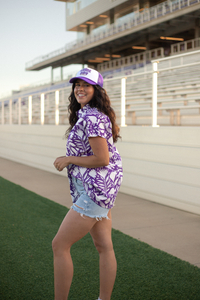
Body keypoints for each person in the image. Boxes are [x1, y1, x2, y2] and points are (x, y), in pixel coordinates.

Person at [52, 67, 123, 300]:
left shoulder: (92, 117)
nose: (80, 89)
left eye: (86, 85)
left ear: (97, 90)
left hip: (94, 190)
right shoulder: (89, 114)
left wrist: (69, 159)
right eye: (77, 85)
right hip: (98, 188)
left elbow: (102, 159)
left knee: (59, 245)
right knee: (104, 247)